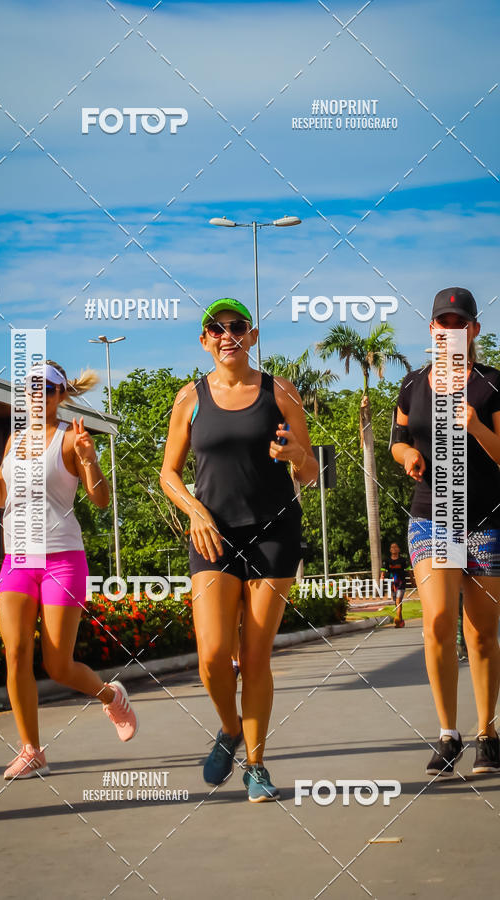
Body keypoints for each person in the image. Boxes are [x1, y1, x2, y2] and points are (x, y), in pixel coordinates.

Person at [160, 298, 318, 801]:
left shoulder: (280, 392)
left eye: (237, 327)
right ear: (204, 340)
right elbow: (169, 473)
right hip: (213, 534)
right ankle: (229, 728)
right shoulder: (189, 399)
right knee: (211, 657)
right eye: (216, 328)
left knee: (254, 656)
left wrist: (296, 454)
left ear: (250, 337)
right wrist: (196, 511)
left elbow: (309, 471)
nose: (227, 335)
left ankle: (256, 765)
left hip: (274, 533)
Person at [0, 361, 138, 780]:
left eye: (48, 389)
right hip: (17, 560)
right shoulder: (14, 443)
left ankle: (110, 695)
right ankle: (30, 749)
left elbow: (99, 500)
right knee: (16, 653)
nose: (38, 395)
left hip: (62, 558)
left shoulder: (68, 440)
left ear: (61, 396)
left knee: (57, 665)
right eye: (32, 388)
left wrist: (90, 459)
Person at [391, 288, 500, 777]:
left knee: (481, 634)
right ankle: (449, 733)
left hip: (487, 521)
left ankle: (487, 732)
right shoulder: (412, 384)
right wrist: (408, 457)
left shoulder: (491, 383)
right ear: (432, 331)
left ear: (474, 331)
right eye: (442, 323)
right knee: (439, 620)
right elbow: (398, 440)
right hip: (433, 515)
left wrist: (476, 427)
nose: (450, 331)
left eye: (459, 323)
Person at [381, 542, 410, 627]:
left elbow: (409, 571)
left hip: (401, 583)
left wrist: (413, 581)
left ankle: (397, 620)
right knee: (396, 603)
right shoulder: (386, 561)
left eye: (395, 547)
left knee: (398, 602)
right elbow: (383, 572)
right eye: (392, 547)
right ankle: (400, 621)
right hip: (392, 584)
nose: (394, 548)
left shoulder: (403, 560)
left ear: (399, 549)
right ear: (390, 550)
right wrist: (381, 579)